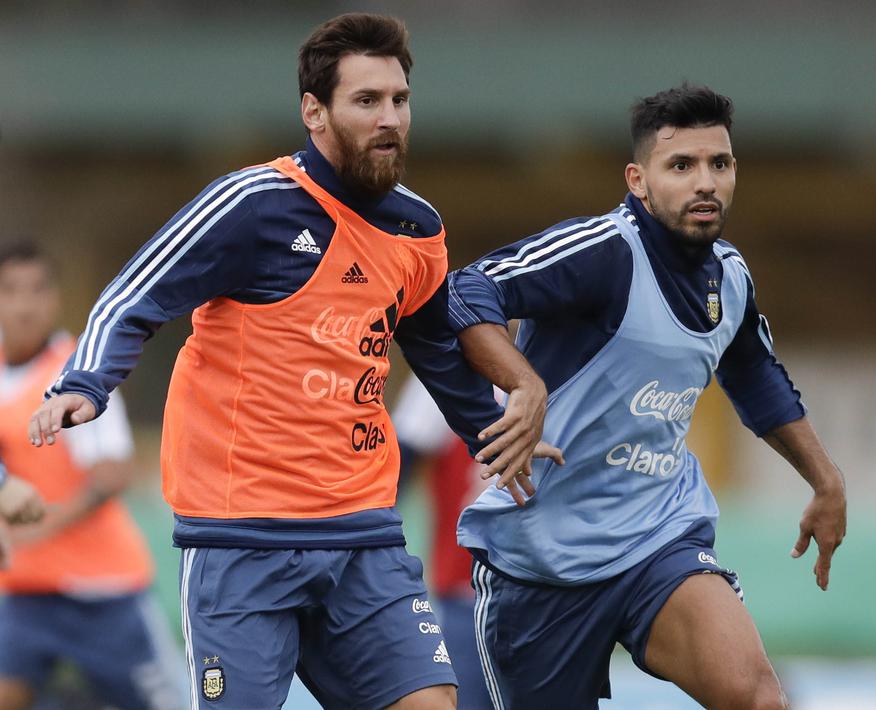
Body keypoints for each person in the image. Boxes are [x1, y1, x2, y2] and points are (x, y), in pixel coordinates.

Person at [28, 14, 554, 710]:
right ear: (315, 111)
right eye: (366, 101)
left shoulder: (417, 228)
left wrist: (492, 434)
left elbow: (432, 345)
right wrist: (85, 383)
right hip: (241, 542)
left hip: (363, 534)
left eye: (398, 99)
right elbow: (138, 292)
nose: (389, 117)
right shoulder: (253, 205)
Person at [447, 84, 848, 709]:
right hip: (540, 563)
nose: (705, 182)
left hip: (656, 538)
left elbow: (756, 376)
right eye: (681, 166)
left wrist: (826, 480)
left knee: (759, 698)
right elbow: (467, 291)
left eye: (719, 163)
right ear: (638, 179)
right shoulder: (603, 254)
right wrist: (523, 385)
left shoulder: (731, 277)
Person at [0, 242, 183, 709]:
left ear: (56, 299)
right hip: (25, 593)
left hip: (103, 592)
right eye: (11, 290)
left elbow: (110, 474)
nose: (25, 305)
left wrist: (35, 530)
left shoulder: (76, 374)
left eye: (38, 290)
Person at [391, 377, 493, 710]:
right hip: (468, 587)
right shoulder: (445, 370)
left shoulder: (567, 362)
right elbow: (396, 471)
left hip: (546, 586)